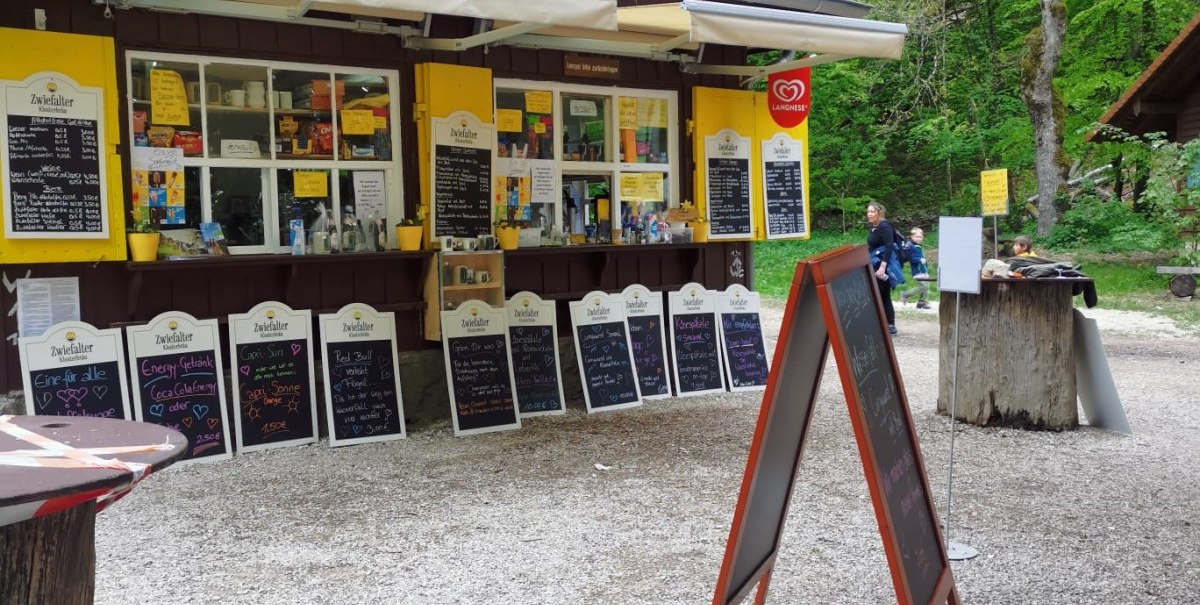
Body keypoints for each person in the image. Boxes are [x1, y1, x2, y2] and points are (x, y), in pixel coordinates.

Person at [866, 201, 900, 335]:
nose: (869, 214)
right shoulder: (875, 227)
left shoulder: (885, 226)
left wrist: (882, 266)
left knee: (884, 294)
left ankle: (890, 325)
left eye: (872, 211)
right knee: (877, 294)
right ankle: (881, 323)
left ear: (879, 212)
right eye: (868, 212)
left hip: (883, 266)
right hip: (875, 264)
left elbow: (889, 246)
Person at [899, 227, 931, 309]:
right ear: (912, 237)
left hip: (923, 270)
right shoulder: (913, 247)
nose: (919, 238)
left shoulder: (918, 246)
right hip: (918, 272)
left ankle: (921, 303)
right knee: (924, 287)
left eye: (920, 237)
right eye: (917, 237)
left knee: (927, 287)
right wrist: (920, 260)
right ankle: (905, 294)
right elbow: (912, 259)